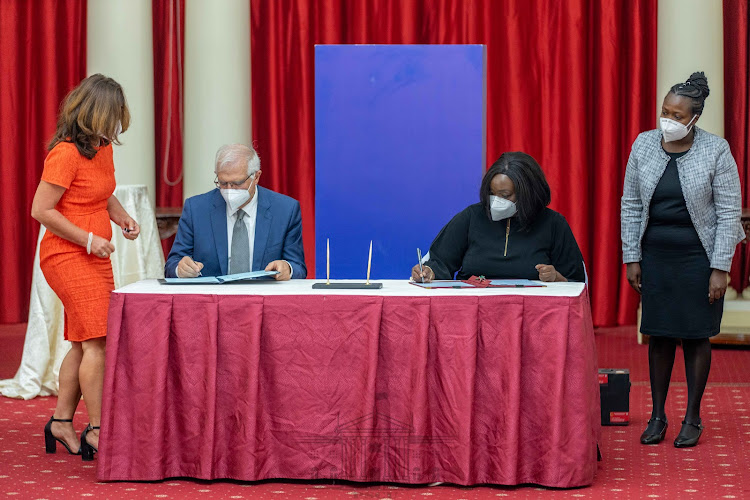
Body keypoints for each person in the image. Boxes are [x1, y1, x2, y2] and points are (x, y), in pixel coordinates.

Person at [621, 72, 744, 448]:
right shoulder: (643, 145)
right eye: (665, 112)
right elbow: (630, 204)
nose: (669, 121)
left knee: (694, 336)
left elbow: (728, 213)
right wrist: (632, 256)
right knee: (658, 335)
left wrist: (720, 268)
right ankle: (657, 416)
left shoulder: (716, 150)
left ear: (694, 118)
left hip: (698, 257)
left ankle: (692, 416)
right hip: (655, 254)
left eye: (677, 115)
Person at [31, 74, 141, 461]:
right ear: (94, 113)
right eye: (112, 117)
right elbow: (40, 210)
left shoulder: (102, 147)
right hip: (66, 254)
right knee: (98, 340)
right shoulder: (64, 152)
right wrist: (89, 239)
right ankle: (98, 429)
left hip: (96, 255)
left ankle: (62, 421)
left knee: (84, 341)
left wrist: (122, 216)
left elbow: (102, 192)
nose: (116, 126)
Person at [411, 151, 585, 283]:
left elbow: (576, 282)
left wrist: (556, 277)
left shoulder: (553, 224)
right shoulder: (471, 217)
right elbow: (439, 262)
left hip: (533, 315)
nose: (496, 202)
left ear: (528, 193)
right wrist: (427, 272)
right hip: (472, 311)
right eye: (492, 194)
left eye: (505, 195)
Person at [165, 144, 306, 280]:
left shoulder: (285, 210)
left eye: (237, 183)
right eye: (222, 183)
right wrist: (181, 269)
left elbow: (298, 267)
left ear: (256, 177)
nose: (229, 189)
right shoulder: (196, 209)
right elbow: (172, 265)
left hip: (263, 299)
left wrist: (287, 268)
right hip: (212, 300)